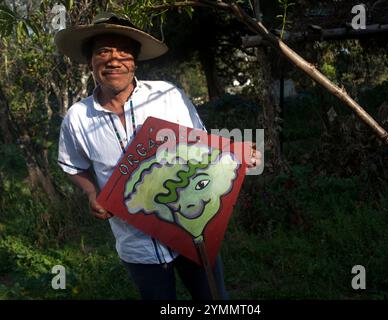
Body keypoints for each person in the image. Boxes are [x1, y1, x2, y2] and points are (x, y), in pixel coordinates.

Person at [55, 12, 260, 300]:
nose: (114, 59)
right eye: (103, 51)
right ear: (91, 61)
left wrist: (236, 153)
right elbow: (71, 165)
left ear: (134, 61)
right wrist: (91, 192)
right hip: (135, 245)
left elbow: (202, 148)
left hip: (190, 230)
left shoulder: (167, 96)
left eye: (123, 51)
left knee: (214, 301)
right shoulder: (78, 117)